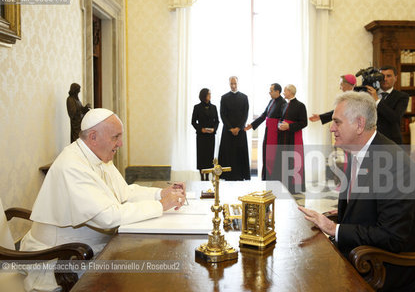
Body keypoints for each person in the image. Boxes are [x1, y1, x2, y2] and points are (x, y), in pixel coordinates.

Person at [20, 108, 186, 292]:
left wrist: (160, 194)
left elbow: (125, 193)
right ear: (93, 137)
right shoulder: (71, 165)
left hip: (95, 248)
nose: (121, 143)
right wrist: (161, 205)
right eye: (116, 137)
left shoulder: (100, 156)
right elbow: (108, 217)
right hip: (61, 259)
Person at [298, 92, 415, 292]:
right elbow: (364, 208)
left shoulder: (394, 164)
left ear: (359, 124)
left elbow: (392, 237)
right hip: (366, 255)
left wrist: (334, 229)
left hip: (393, 268)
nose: (331, 128)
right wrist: (332, 218)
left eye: (337, 122)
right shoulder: (357, 149)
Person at [244, 83, 286, 180]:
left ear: (277, 91)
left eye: (271, 90)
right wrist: (252, 125)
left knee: (273, 158)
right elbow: (263, 116)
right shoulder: (271, 101)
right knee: (266, 155)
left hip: (275, 134)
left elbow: (282, 119)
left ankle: (273, 179)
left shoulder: (283, 103)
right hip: (268, 132)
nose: (269, 92)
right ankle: (266, 178)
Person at [365, 65, 409, 144]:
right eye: (382, 76)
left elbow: (395, 117)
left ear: (395, 78)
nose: (385, 79)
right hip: (371, 140)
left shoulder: (402, 96)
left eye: (388, 76)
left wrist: (377, 100)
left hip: (392, 141)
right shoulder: (369, 94)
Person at [218, 76, 250, 180]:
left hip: (240, 131)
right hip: (228, 131)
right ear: (229, 84)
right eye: (231, 84)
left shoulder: (244, 97)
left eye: (235, 83)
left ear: (238, 83)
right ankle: (227, 176)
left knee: (239, 154)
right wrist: (231, 128)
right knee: (228, 154)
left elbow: (245, 114)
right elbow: (222, 114)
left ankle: (240, 176)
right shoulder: (224, 97)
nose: (233, 86)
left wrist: (238, 128)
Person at [277, 84, 307, 193]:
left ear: (290, 92)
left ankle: (295, 186)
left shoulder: (300, 105)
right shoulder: (284, 105)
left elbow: (304, 123)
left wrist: (289, 126)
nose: (283, 93)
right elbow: (281, 119)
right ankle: (285, 183)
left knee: (294, 160)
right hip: (284, 137)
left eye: (285, 91)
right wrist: (280, 125)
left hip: (294, 136)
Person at [191, 88, 219, 181]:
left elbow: (217, 121)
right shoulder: (197, 107)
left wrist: (214, 129)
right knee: (201, 156)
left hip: (210, 136)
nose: (210, 96)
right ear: (203, 96)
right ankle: (202, 176)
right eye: (208, 94)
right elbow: (193, 122)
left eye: (210, 94)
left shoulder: (214, 107)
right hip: (201, 136)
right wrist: (200, 129)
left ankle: (208, 177)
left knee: (209, 156)